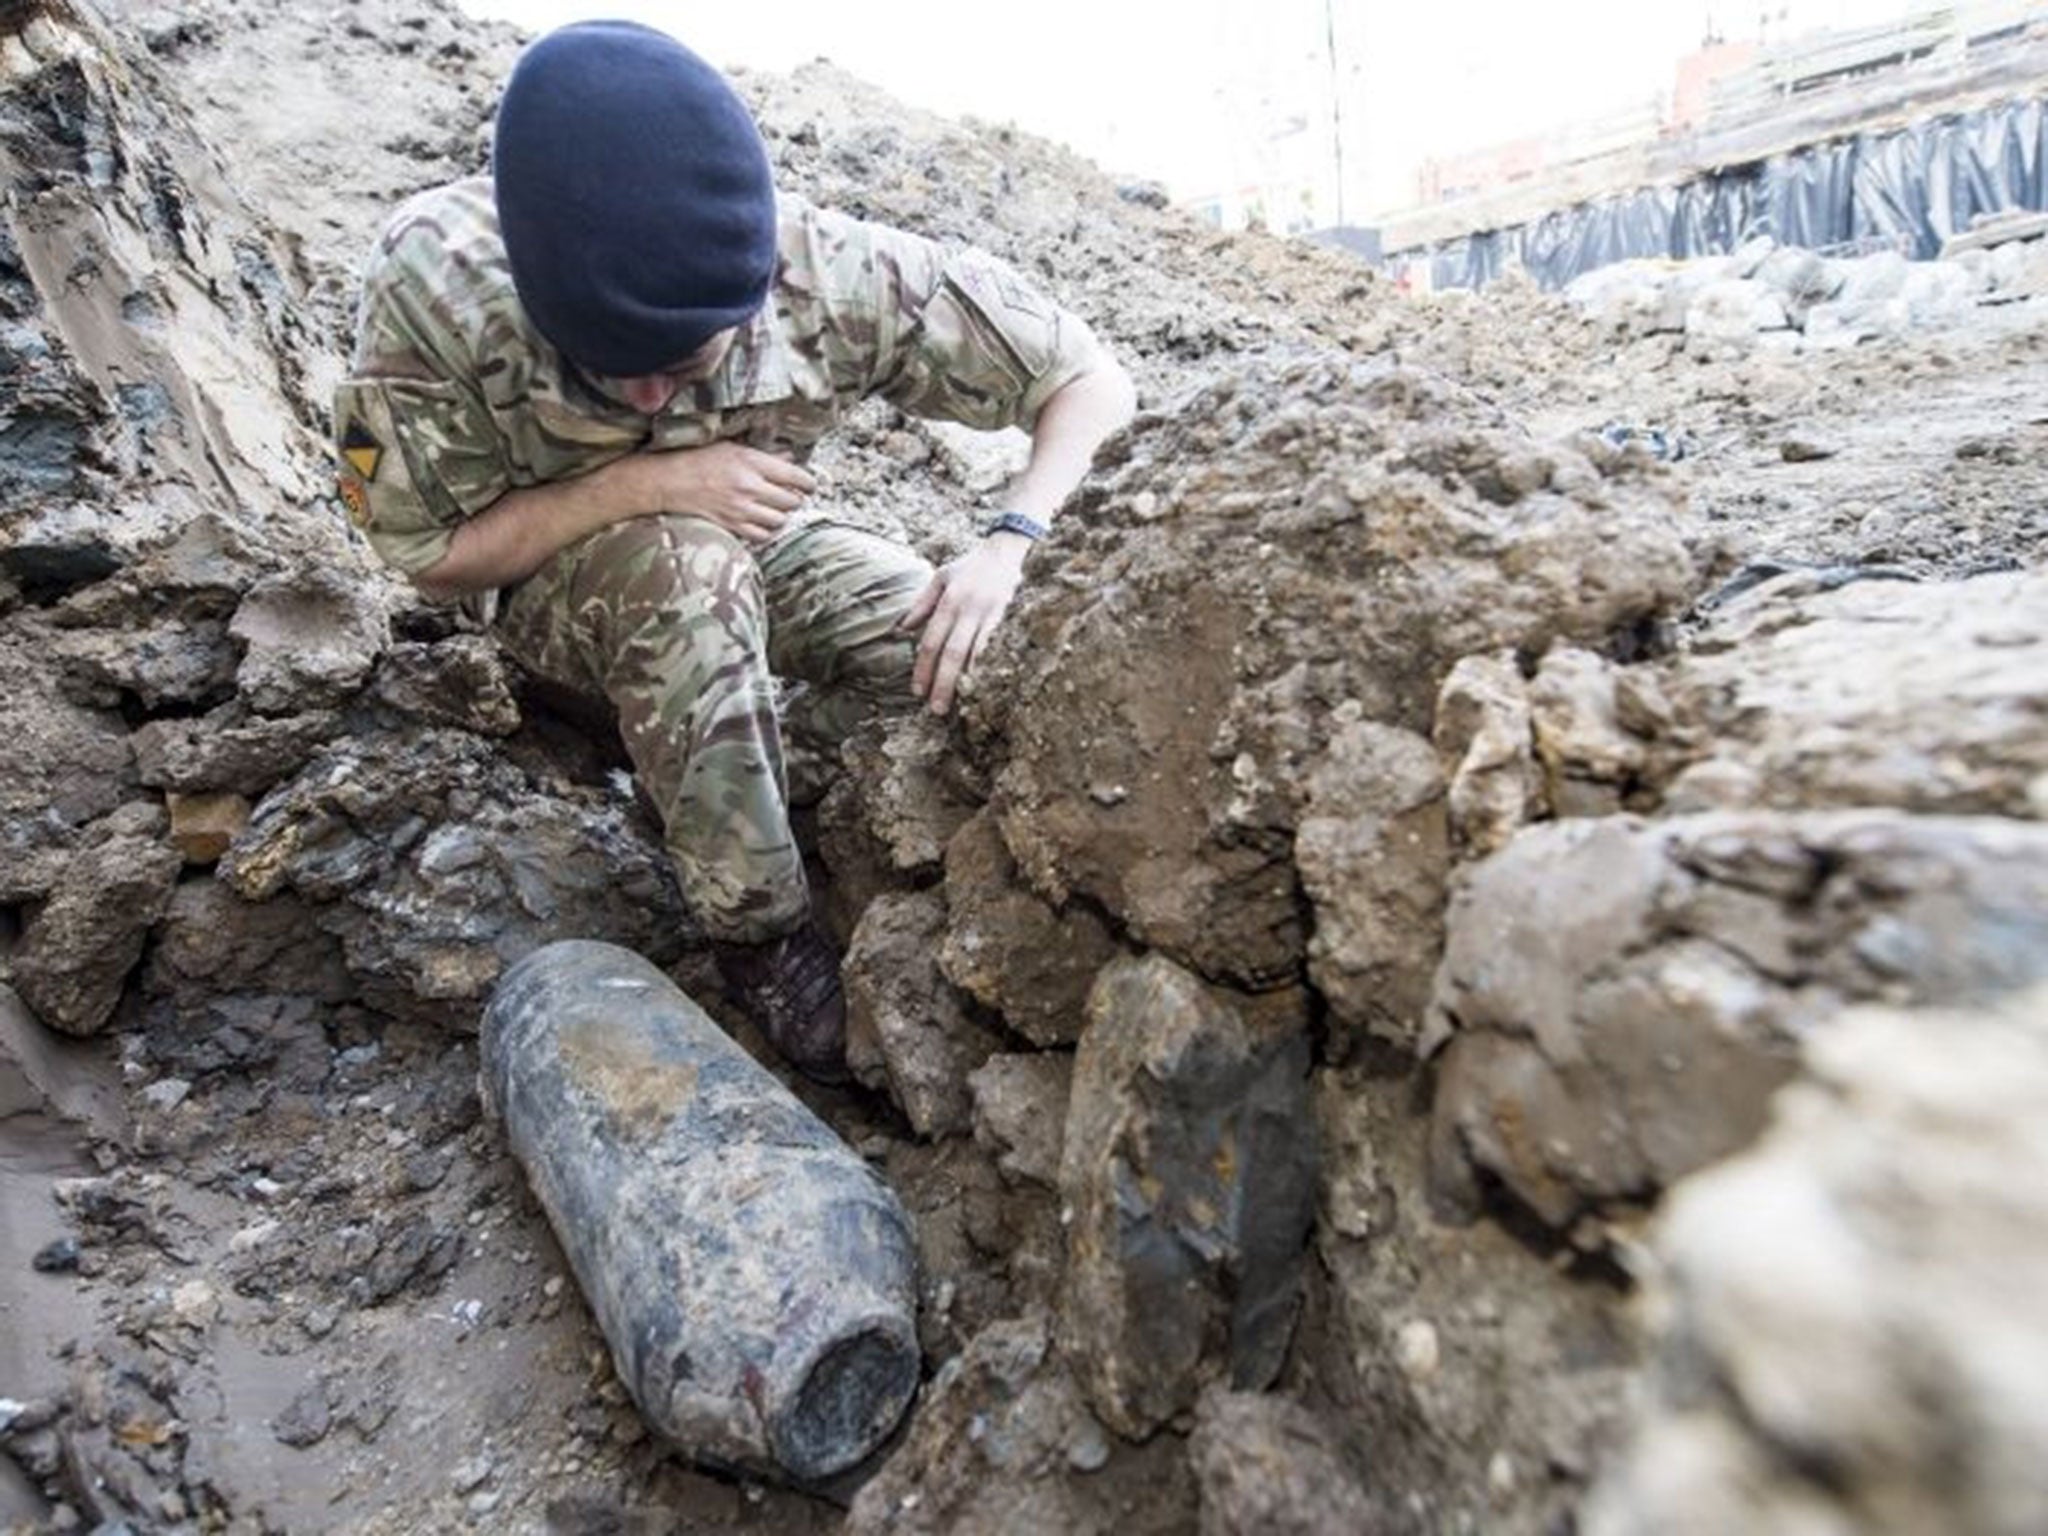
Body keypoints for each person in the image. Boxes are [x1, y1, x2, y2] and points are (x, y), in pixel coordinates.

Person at [333, 20, 1135, 1082]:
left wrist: (1013, 539)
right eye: (611, 371)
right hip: (543, 583)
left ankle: (737, 757)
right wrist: (645, 482)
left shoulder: (829, 274)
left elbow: (1085, 379)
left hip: (756, 543)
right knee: (686, 578)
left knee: (942, 645)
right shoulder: (435, 284)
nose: (654, 395)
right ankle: (757, 932)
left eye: (681, 361)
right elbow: (428, 551)